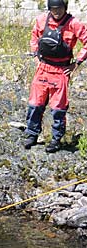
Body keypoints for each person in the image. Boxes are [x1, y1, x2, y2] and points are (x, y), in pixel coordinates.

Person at [23, 0, 87, 153]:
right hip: (43, 68)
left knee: (58, 108)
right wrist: (35, 54)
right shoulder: (42, 20)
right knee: (35, 104)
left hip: (61, 70)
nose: (56, 11)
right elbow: (34, 37)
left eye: (59, 8)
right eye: (53, 8)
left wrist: (76, 63)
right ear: (49, 8)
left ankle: (56, 139)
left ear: (65, 7)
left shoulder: (74, 23)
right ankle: (32, 134)